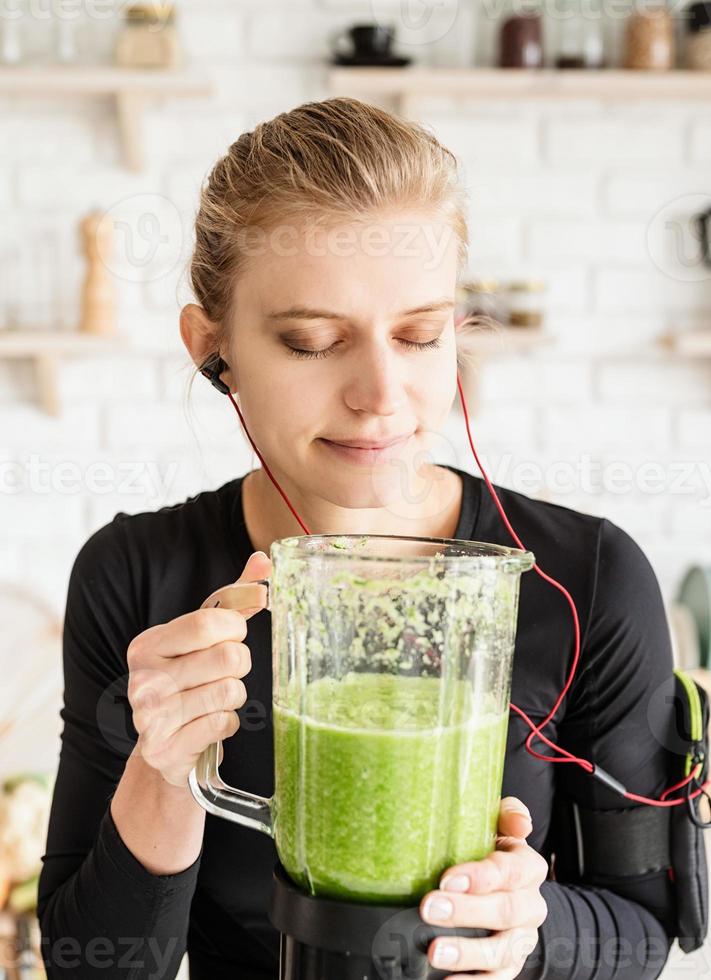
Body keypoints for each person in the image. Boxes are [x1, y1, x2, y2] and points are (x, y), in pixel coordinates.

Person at [38, 97, 682, 980]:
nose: (381, 393)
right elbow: (90, 964)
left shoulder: (590, 576)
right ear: (211, 348)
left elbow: (645, 930)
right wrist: (163, 767)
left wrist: (528, 929)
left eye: (419, 335)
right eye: (310, 342)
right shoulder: (136, 575)